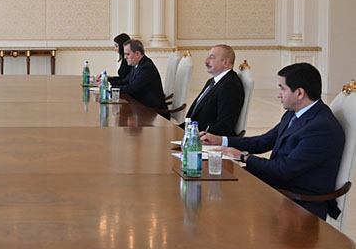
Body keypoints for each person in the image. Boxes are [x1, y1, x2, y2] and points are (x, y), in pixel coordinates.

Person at [201, 63, 345, 220]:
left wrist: (243, 156)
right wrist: (220, 140)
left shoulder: (320, 127)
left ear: (299, 93)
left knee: (221, 196)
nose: (278, 95)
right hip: (279, 185)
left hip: (298, 202)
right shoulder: (294, 114)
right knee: (214, 179)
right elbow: (263, 141)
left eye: (282, 89)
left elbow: (284, 170)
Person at [185, 44, 245, 136]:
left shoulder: (230, 86)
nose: (206, 61)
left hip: (204, 139)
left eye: (211, 57)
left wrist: (197, 137)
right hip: (192, 132)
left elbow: (224, 126)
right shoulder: (212, 81)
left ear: (225, 62)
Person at [110, 39, 167, 115]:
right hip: (141, 107)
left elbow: (131, 88)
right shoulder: (137, 64)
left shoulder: (146, 67)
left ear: (137, 54)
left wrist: (110, 88)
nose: (125, 57)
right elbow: (125, 81)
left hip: (153, 112)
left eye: (127, 54)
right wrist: (108, 82)